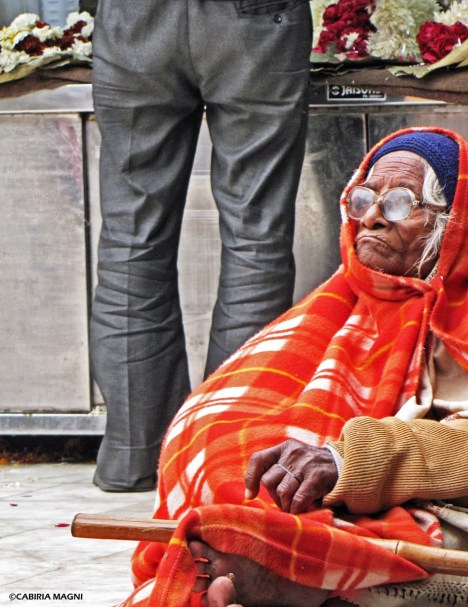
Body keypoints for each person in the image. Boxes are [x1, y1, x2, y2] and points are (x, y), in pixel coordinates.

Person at [121, 128, 468, 607]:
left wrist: (351, 462)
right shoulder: (339, 305)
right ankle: (261, 566)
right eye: (363, 200)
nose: (372, 217)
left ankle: (279, 579)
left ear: (457, 221)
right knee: (232, 513)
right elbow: (230, 418)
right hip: (335, 500)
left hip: (446, 509)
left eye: (401, 203)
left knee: (395, 546)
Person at [89, 0, 312, 492]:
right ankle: (228, 454)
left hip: (136, 21)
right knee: (256, 237)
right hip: (253, 21)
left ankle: (133, 455)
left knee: (131, 239)